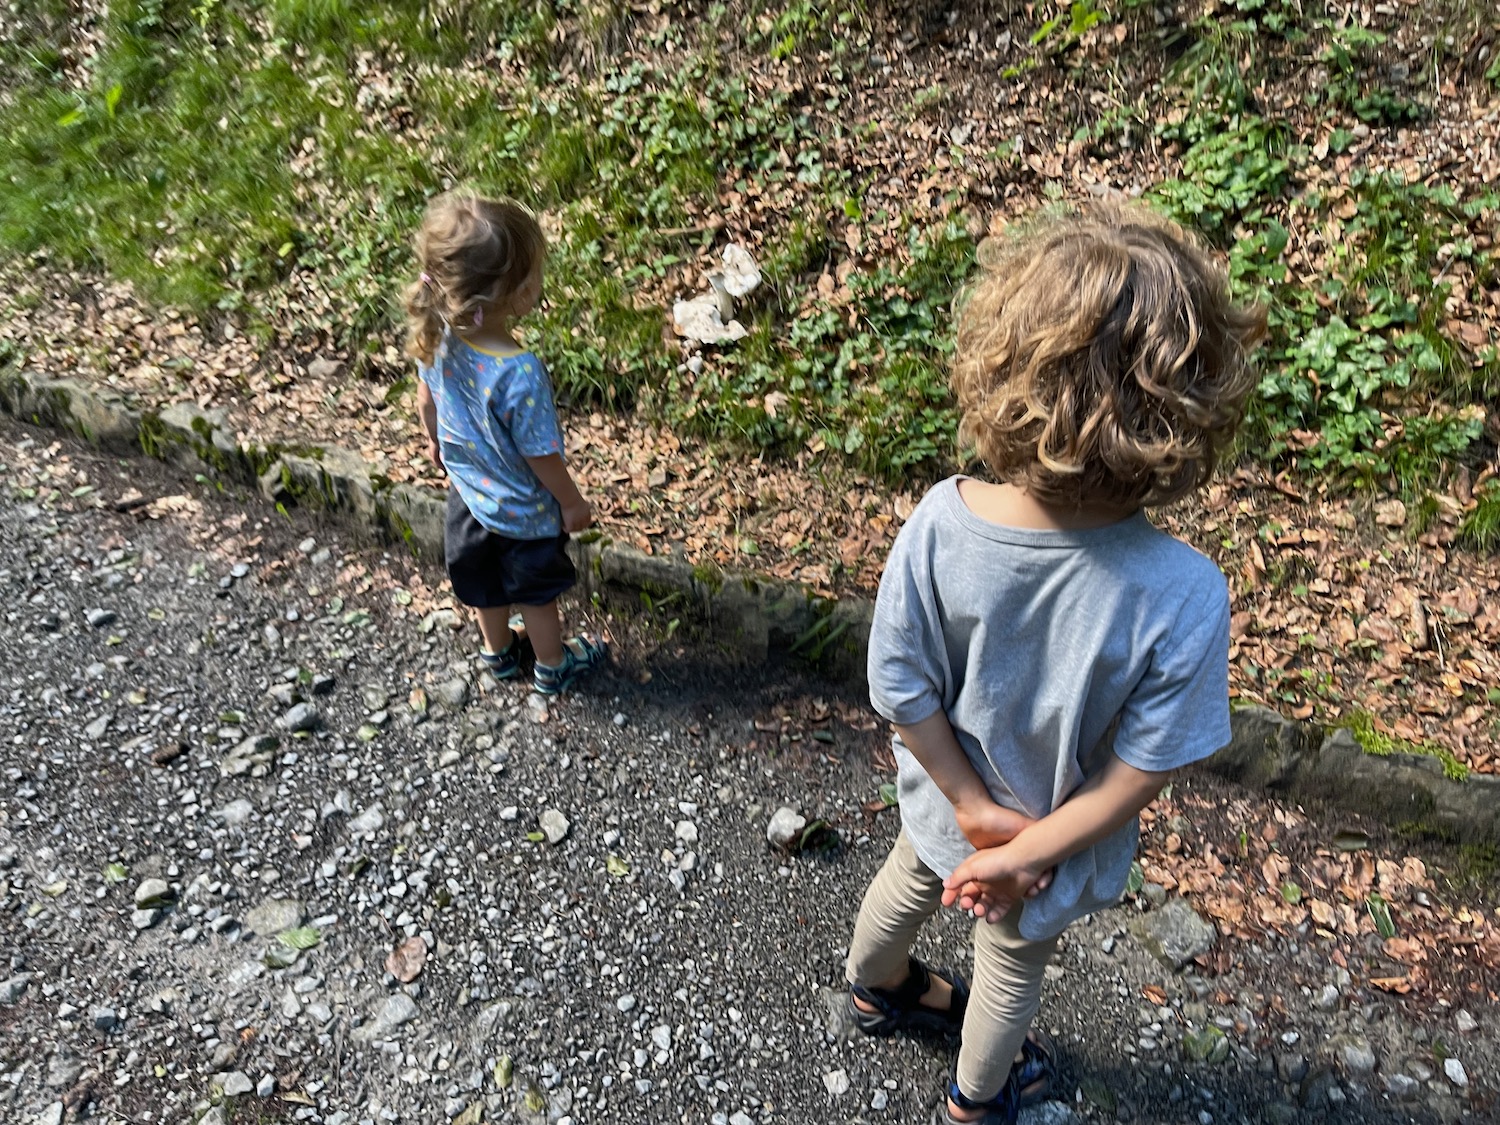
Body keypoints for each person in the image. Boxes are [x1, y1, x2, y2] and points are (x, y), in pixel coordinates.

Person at [844, 205, 1265, 1125]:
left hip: (944, 804)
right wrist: (1025, 849)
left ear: (1004, 364)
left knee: (910, 878)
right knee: (1009, 966)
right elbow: (1138, 774)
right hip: (1049, 850)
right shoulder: (1183, 593)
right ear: (1189, 410)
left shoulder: (942, 520)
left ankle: (876, 984)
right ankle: (973, 1100)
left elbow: (899, 687)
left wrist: (967, 804)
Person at [404, 191, 606, 695]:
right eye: (534, 273)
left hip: (467, 497)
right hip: (523, 514)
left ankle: (497, 653)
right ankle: (553, 664)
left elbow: (426, 400)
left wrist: (434, 442)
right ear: (513, 294)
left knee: (483, 581)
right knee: (535, 594)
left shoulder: (436, 334)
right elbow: (541, 454)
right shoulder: (518, 371)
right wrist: (571, 502)